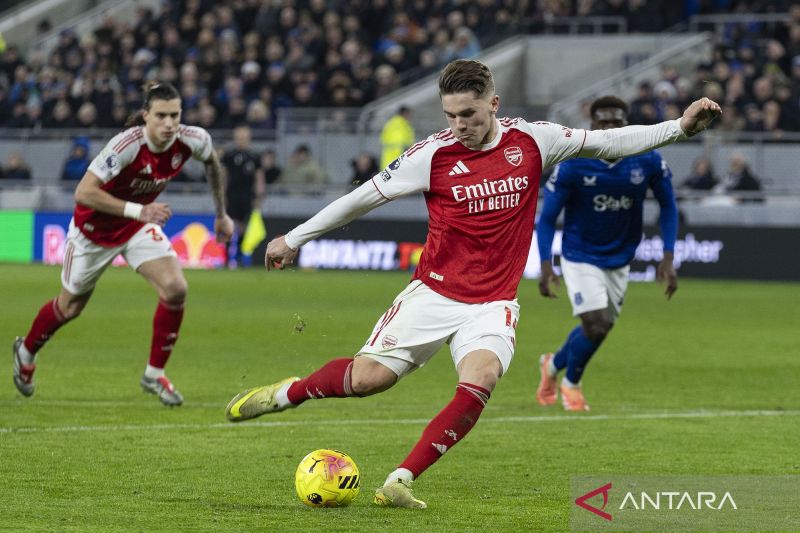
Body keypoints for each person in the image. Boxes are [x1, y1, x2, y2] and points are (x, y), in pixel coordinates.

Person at [225, 60, 720, 508]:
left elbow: (607, 142)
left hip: (494, 301)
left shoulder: (534, 140)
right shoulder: (432, 155)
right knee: (368, 381)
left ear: (493, 105)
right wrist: (295, 237)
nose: (459, 124)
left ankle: (400, 479)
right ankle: (289, 393)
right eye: (450, 115)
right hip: (434, 292)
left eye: (469, 113)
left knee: (481, 378)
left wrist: (678, 128)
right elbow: (363, 198)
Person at [12, 82, 234, 406]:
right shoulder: (127, 145)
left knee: (175, 288)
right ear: (146, 116)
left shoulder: (193, 139)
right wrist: (140, 209)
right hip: (93, 232)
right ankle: (26, 351)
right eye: (161, 116)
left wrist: (221, 214)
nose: (169, 123)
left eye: (175, 115)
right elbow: (84, 192)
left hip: (136, 228)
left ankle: (154, 375)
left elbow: (213, 165)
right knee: (70, 307)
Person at [534, 95, 680, 413]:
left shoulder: (648, 160)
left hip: (621, 256)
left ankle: (552, 364)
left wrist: (668, 256)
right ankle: (572, 384)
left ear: (627, 125)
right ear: (593, 125)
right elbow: (546, 218)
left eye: (617, 121)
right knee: (597, 324)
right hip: (580, 254)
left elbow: (669, 206)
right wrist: (546, 264)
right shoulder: (572, 162)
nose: (611, 127)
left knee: (599, 327)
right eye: (604, 121)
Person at [221, 124, 263, 267]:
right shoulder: (229, 156)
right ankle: (227, 256)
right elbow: (224, 176)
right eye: (239, 137)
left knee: (244, 225)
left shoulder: (254, 157)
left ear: (249, 138)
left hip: (247, 195)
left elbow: (259, 178)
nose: (241, 140)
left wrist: (259, 196)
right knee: (229, 225)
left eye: (244, 137)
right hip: (231, 194)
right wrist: (222, 196)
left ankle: (239, 255)